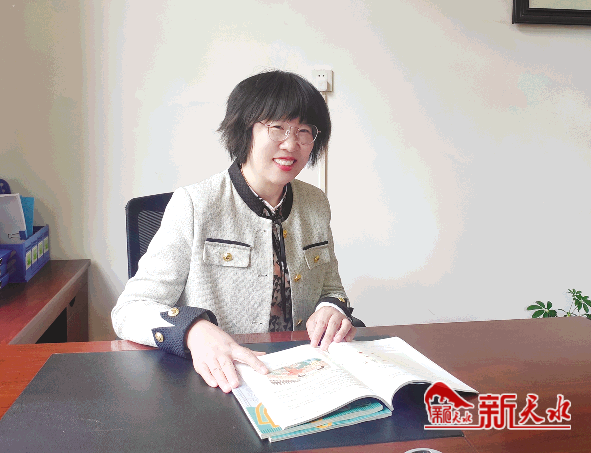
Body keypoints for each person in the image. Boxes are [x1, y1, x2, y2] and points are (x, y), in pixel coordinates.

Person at [112, 70, 357, 394]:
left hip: (301, 375)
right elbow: (129, 310)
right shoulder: (195, 205)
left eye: (304, 131)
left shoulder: (315, 203)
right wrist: (193, 329)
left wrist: (332, 308)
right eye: (277, 128)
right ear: (244, 129)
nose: (291, 143)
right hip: (220, 382)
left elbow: (332, 287)